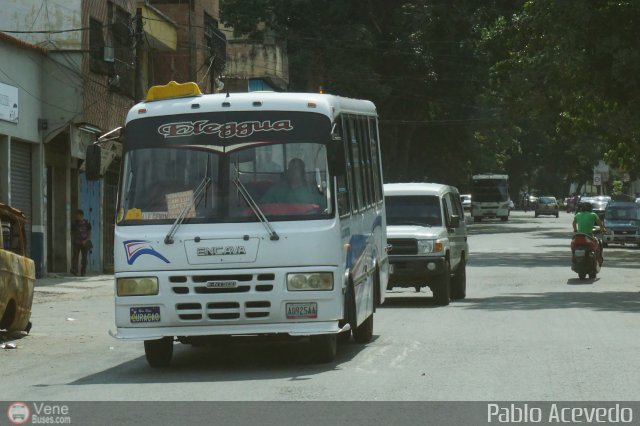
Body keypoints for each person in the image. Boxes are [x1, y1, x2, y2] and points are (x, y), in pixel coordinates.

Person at [71, 209, 92, 276]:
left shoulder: (87, 223)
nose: (76, 217)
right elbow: (72, 233)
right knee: (75, 257)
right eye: (76, 215)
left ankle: (83, 272)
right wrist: (74, 240)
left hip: (84, 243)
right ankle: (75, 270)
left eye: (78, 215)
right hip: (77, 243)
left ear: (81, 216)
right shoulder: (74, 224)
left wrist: (86, 240)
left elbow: (89, 233)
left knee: (84, 258)